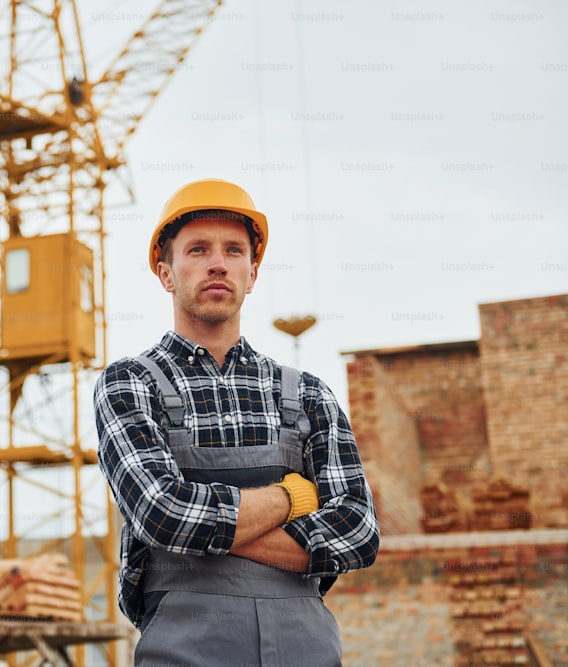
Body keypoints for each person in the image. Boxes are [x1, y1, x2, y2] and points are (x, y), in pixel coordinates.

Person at [94, 178, 379, 666]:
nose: (218, 262)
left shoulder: (308, 393)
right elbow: (163, 513)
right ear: (165, 272)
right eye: (198, 249)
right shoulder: (129, 383)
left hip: (305, 649)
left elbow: (356, 530)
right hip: (185, 649)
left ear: (253, 271)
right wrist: (292, 498)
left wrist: (206, 538)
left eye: (234, 250)